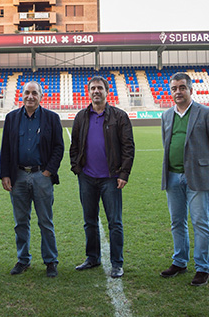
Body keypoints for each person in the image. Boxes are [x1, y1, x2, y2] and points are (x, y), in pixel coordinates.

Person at [160, 72, 209, 286]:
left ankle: (202, 267)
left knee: (200, 222)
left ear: (190, 90)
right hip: (172, 176)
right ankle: (179, 261)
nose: (177, 92)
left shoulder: (206, 113)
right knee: (177, 222)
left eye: (182, 88)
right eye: (174, 89)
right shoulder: (166, 115)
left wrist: (204, 164)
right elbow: (166, 143)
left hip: (197, 177)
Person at [69, 75, 134, 278]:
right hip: (87, 178)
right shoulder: (81, 116)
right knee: (89, 220)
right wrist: (77, 168)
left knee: (114, 222)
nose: (96, 91)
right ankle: (93, 257)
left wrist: (123, 173)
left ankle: (117, 262)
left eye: (100, 88)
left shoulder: (119, 116)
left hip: (111, 178)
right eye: (93, 88)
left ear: (107, 91)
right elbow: (75, 146)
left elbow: (128, 147)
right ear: (88, 92)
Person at [0, 81, 64, 278]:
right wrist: (5, 175)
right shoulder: (11, 118)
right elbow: (5, 149)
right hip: (18, 176)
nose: (30, 96)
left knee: (45, 221)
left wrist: (48, 171)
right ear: (22, 95)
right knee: (20, 222)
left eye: (34, 93)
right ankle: (23, 259)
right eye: (27, 92)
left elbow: (58, 148)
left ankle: (50, 261)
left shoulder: (51, 118)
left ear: (41, 96)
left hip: (41, 176)